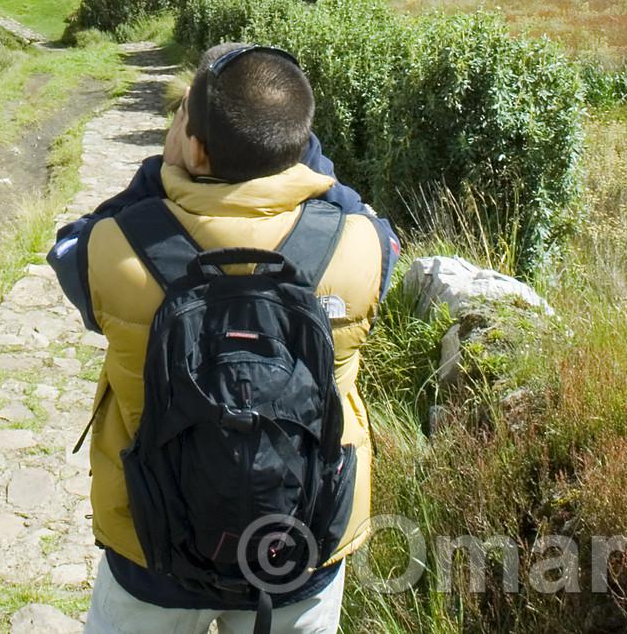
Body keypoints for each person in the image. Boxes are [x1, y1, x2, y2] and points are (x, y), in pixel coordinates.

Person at [48, 43, 396, 634]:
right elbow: (356, 210)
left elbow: (68, 246)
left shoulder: (117, 248)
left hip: (151, 543)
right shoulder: (359, 245)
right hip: (298, 545)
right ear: (299, 148)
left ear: (195, 145)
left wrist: (155, 172)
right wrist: (304, 163)